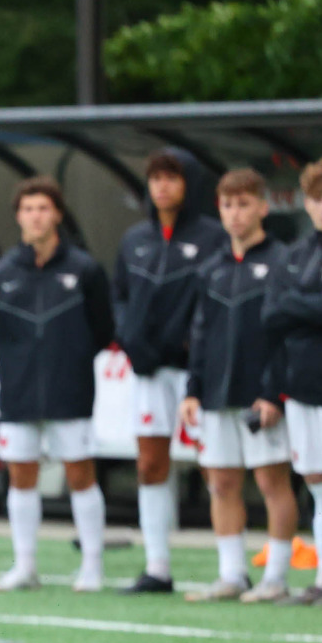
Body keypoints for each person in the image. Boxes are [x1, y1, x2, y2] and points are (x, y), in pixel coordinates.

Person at [0, 177, 115, 592]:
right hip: (18, 391)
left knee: (80, 473)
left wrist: (70, 360)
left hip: (69, 388)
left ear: (57, 213)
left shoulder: (85, 269)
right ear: (18, 216)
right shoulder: (0, 273)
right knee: (20, 474)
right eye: (27, 209)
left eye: (43, 208)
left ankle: (92, 566)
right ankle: (25, 567)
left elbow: (102, 330)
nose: (35, 216)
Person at [180, 168, 296, 603]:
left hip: (262, 395)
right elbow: (201, 333)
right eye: (227, 205)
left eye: (244, 204)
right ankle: (232, 575)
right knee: (221, 483)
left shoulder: (284, 261)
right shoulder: (210, 269)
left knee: (270, 483)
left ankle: (277, 578)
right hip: (214, 396)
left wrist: (274, 392)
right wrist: (192, 390)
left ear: (263, 207)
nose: (235, 213)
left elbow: (287, 334)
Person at [114, 149, 225, 594]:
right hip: (147, 371)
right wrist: (130, 340)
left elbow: (214, 300)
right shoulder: (134, 239)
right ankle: (157, 566)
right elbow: (119, 297)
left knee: (215, 466)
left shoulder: (213, 237)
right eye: (156, 178)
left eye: (172, 178)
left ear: (189, 184)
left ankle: (229, 568)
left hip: (198, 372)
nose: (162, 186)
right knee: (150, 464)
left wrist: (191, 345)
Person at [265, 157, 322, 606]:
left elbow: (292, 308)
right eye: (318, 198)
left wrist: (299, 305)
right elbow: (271, 314)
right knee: (318, 483)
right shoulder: (296, 254)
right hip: (305, 385)